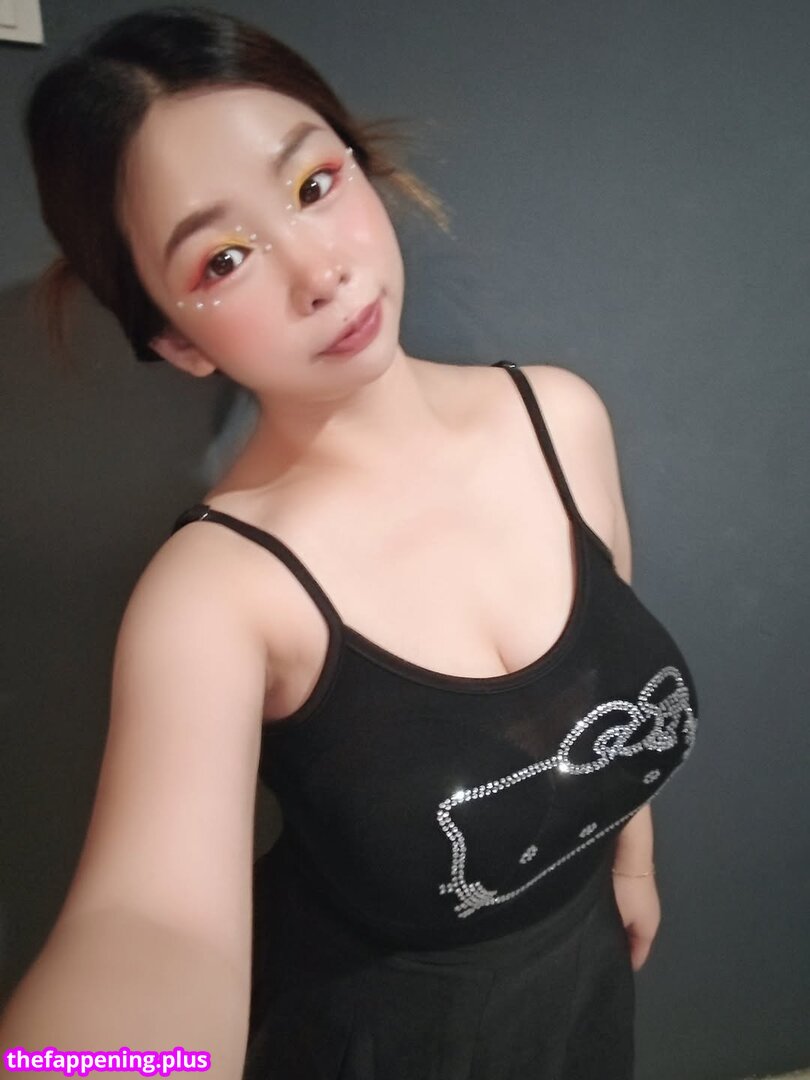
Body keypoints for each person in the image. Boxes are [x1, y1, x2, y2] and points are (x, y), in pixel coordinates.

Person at [2, 7, 699, 1078]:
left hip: (585, 987)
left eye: (313, 185)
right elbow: (151, 924)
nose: (317, 271)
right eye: (224, 258)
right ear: (179, 341)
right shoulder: (216, 595)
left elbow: (602, 705)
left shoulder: (561, 419)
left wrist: (631, 867)